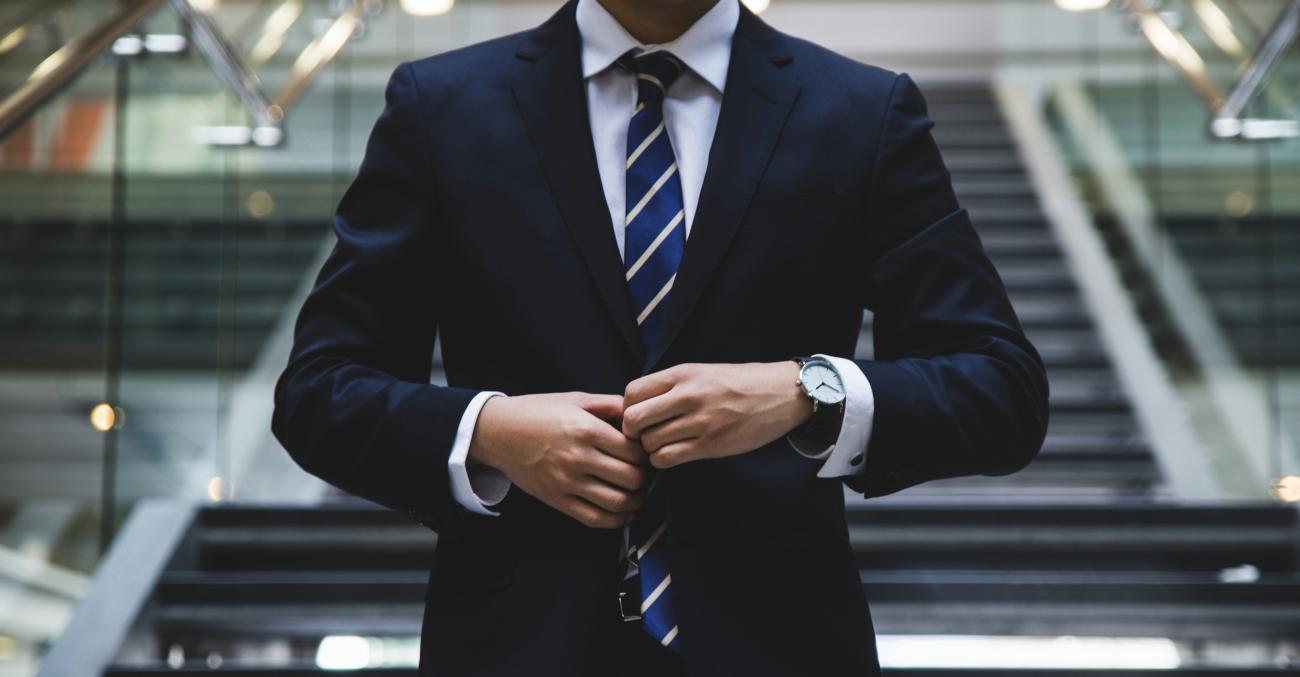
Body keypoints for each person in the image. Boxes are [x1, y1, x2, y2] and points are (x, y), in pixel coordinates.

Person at [271, 0, 1050, 674]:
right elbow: (319, 389)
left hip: (783, 644)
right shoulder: (440, 106)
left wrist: (806, 390)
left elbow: (1001, 387)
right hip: (514, 646)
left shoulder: (861, 112)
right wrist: (491, 431)